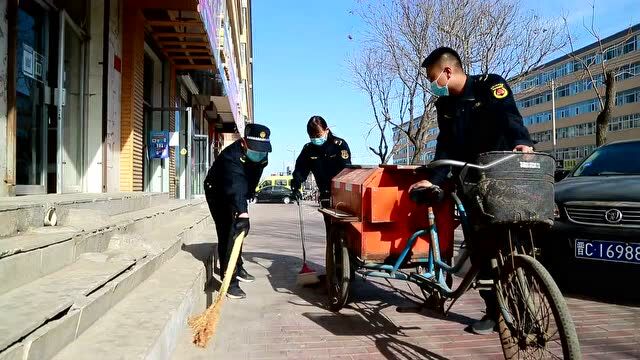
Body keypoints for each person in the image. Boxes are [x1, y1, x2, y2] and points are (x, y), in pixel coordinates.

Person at [408, 47, 534, 335]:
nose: (432, 85)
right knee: (481, 247)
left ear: (447, 71)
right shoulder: (445, 106)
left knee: (514, 242)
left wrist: (521, 141)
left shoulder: (490, 85)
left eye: (432, 77)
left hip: (502, 174)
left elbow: (509, 115)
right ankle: (493, 310)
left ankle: (526, 304)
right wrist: (435, 179)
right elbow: (445, 145)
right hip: (470, 180)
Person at [203, 123, 272, 299]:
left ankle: (238, 267)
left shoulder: (262, 156)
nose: (259, 153)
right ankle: (230, 282)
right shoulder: (230, 157)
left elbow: (251, 177)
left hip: (239, 192)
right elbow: (235, 185)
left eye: (262, 149)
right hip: (218, 191)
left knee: (239, 231)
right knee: (228, 232)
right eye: (255, 149)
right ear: (244, 143)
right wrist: (242, 212)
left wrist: (247, 197)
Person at [291, 115, 351, 208]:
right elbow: (300, 170)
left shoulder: (339, 145)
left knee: (341, 222)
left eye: (318, 135)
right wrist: (296, 187)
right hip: (324, 194)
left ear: (326, 130)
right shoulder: (308, 149)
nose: (315, 138)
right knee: (329, 222)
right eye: (312, 136)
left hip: (342, 194)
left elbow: (346, 169)